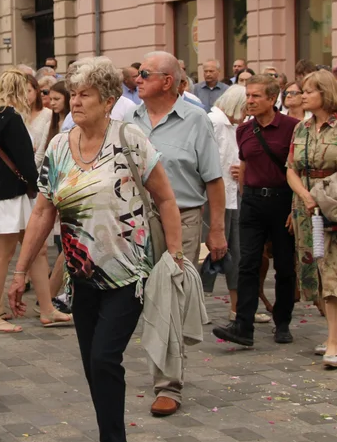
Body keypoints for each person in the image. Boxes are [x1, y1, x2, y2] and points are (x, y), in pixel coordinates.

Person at [9, 56, 184, 442]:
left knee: (105, 359)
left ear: (109, 100)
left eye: (85, 94)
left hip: (130, 273)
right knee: (93, 366)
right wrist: (18, 270)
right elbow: (44, 211)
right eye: (73, 93)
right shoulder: (58, 148)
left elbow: (166, 199)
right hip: (81, 276)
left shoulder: (129, 138)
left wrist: (178, 256)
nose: (75, 101)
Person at [124, 51, 226, 416]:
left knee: (171, 293)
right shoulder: (127, 120)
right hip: (134, 222)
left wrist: (216, 230)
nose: (138, 78)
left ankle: (169, 385)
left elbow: (214, 179)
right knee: (134, 295)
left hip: (182, 218)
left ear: (167, 81)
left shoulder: (196, 120)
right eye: (138, 72)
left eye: (145, 73)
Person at [284, 71, 337, 369]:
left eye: (308, 91)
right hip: (305, 207)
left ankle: (333, 340)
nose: (302, 95)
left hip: (336, 206)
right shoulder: (301, 129)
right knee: (313, 271)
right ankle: (336, 329)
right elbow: (291, 169)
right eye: (300, 91)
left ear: (325, 93)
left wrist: (335, 193)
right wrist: (304, 198)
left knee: (336, 269)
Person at [0, 70, 71, 333]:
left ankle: (46, 309)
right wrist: (42, 187)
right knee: (3, 256)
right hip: (10, 196)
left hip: (4, 196)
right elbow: (25, 162)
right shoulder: (11, 118)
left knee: (37, 250)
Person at [213, 74, 301, 348]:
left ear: (272, 99)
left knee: (285, 265)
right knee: (247, 263)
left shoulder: (292, 128)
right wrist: (243, 193)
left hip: (283, 201)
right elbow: (245, 163)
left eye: (256, 96)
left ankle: (283, 321)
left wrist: (296, 207)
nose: (249, 101)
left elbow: (298, 170)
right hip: (251, 202)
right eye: (248, 95)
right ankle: (244, 325)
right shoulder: (244, 130)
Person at [207, 85, 247, 318]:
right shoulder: (215, 122)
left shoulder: (231, 125)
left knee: (235, 254)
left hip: (231, 195)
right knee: (211, 254)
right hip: (216, 197)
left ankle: (237, 307)